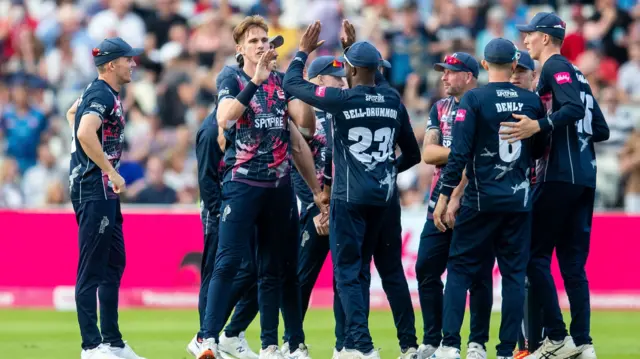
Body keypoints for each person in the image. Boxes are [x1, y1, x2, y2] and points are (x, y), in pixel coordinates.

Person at [283, 21, 421, 359]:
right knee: (390, 273)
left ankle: (359, 345)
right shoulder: (392, 100)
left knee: (349, 273)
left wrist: (303, 50)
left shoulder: (340, 100)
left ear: (351, 70)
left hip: (349, 200)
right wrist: (387, 170)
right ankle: (411, 346)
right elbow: (413, 155)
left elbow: (291, 83)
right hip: (385, 199)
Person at [197, 15, 325, 359]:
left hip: (278, 187)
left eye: (264, 40)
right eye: (253, 41)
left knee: (279, 268)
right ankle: (206, 339)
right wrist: (255, 80)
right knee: (227, 262)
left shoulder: (281, 82)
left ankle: (278, 345)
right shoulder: (232, 77)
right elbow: (225, 116)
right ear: (240, 49)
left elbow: (304, 133)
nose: (261, 45)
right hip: (241, 184)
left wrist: (315, 191)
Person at [431, 38, 547, 359]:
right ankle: (506, 350)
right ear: (513, 65)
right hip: (518, 202)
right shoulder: (531, 102)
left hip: (480, 201)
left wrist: (444, 198)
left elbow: (458, 156)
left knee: (459, 270)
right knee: (512, 276)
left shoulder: (474, 100)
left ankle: (451, 345)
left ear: (484, 65)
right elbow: (538, 150)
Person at [504, 12, 610, 359]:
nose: (525, 41)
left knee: (533, 256)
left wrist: (539, 126)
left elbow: (574, 109)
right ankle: (583, 342)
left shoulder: (554, 67)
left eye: (530, 35)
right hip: (585, 177)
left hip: (558, 174)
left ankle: (557, 337)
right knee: (573, 266)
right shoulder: (578, 73)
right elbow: (601, 128)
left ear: (545, 38)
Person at [67, 37, 146, 359]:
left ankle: (112, 341)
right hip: (95, 188)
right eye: (128, 59)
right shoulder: (101, 92)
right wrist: (109, 171)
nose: (133, 64)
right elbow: (85, 131)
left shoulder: (98, 92)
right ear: (112, 64)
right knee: (92, 268)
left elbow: (72, 112)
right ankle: (91, 346)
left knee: (114, 262)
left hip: (101, 191)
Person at [415, 52, 493, 359]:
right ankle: (433, 340)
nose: (444, 77)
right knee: (425, 267)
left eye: (450, 72)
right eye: (443, 72)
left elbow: (482, 155)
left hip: (475, 199)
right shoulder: (440, 107)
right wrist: (462, 150)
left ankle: (477, 343)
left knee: (479, 275)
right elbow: (429, 153)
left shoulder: (485, 105)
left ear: (469, 76)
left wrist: (460, 161)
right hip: (438, 198)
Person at [188, 108, 259, 359]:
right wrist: (220, 213)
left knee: (254, 269)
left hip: (242, 206)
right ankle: (205, 337)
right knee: (214, 271)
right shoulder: (209, 132)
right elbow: (206, 180)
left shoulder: (240, 125)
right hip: (218, 211)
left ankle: (226, 333)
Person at [508, 50, 542, 359]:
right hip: (508, 199)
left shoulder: (539, 106)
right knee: (517, 272)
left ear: (533, 75)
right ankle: (525, 345)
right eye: (513, 69)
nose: (516, 74)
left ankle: (535, 342)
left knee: (531, 270)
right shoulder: (500, 106)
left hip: (536, 196)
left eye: (523, 70)